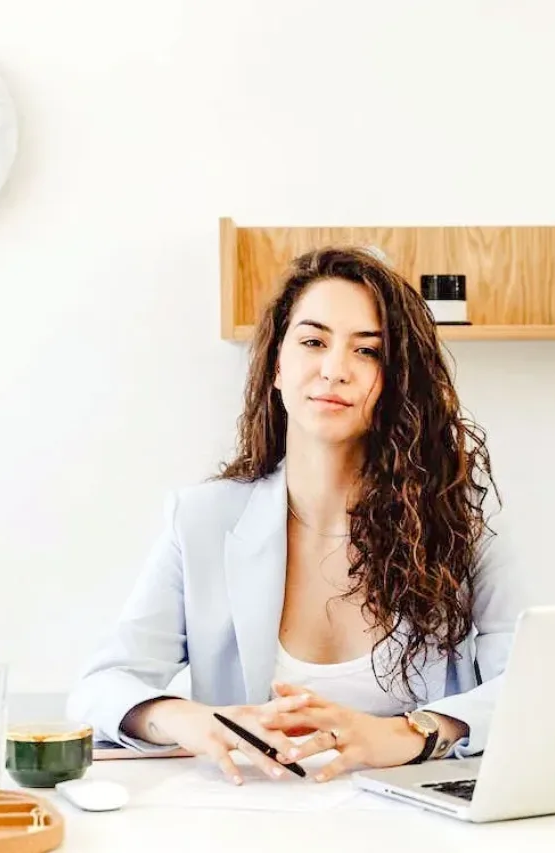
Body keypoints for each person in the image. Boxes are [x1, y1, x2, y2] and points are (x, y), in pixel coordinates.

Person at [67, 245, 522, 785]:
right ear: (279, 365)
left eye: (368, 352)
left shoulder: (461, 522)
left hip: (415, 822)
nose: (335, 370)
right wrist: (190, 718)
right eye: (313, 342)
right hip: (250, 821)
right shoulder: (202, 520)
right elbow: (102, 686)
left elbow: (528, 690)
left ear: (397, 379)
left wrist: (411, 731)